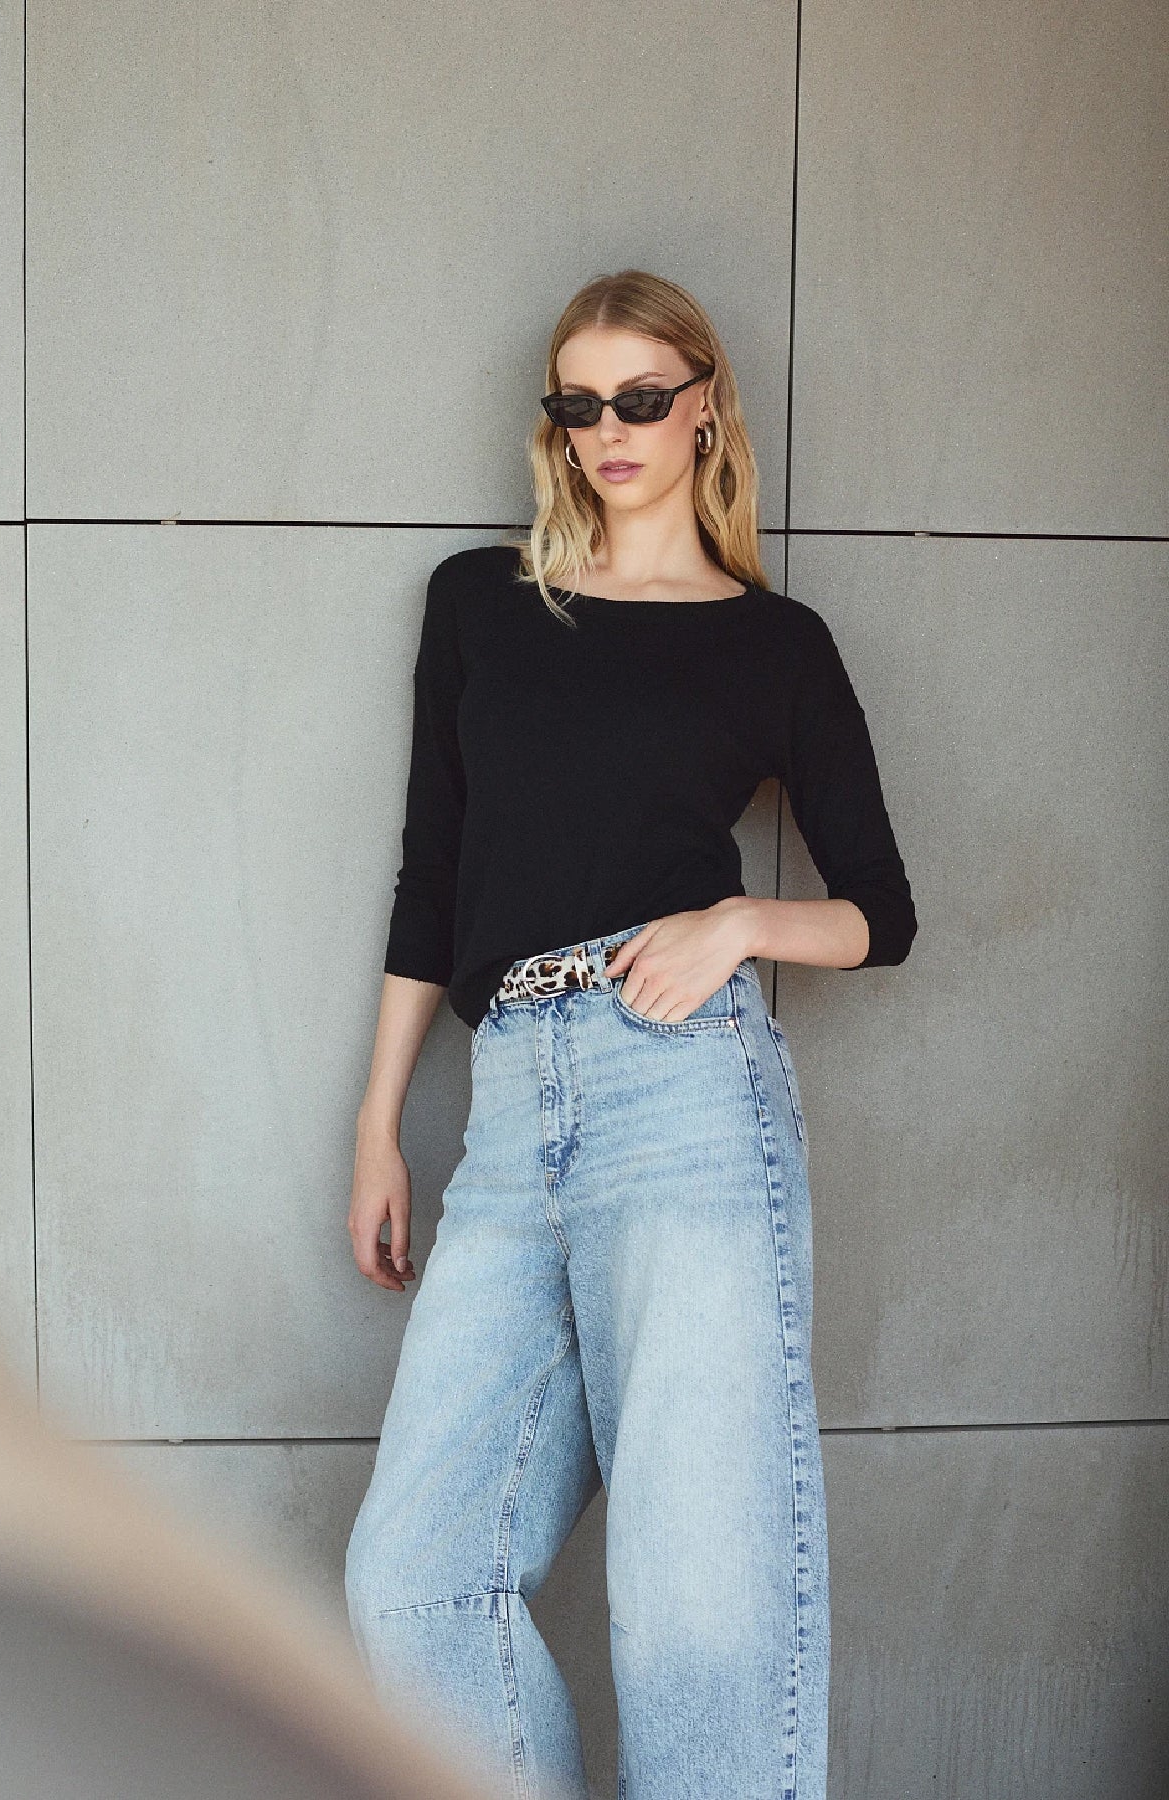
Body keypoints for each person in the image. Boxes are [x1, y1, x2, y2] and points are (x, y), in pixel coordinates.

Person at [344, 268, 917, 1800]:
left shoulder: (774, 643)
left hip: (684, 1098)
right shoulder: (481, 602)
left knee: (695, 1613)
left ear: (704, 406)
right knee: (417, 1580)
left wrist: (739, 924)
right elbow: (432, 873)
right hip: (507, 1116)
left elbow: (880, 912)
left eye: (643, 400)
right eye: (580, 404)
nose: (610, 431)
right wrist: (379, 1124)